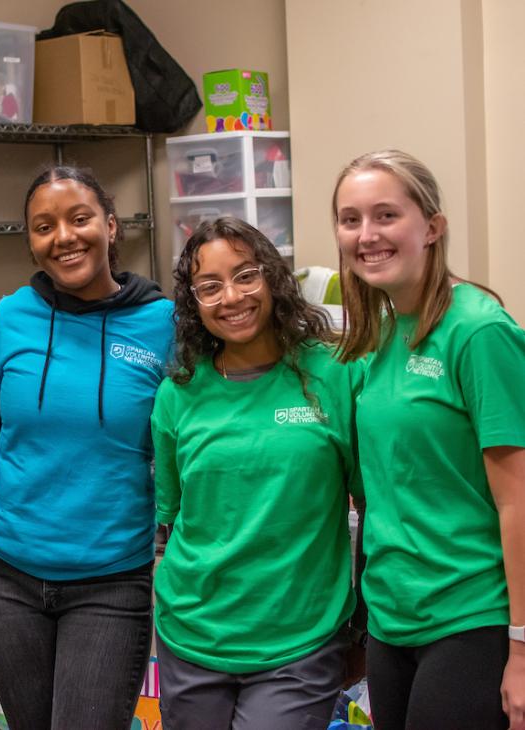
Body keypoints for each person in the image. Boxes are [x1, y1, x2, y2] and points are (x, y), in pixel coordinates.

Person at [0, 165, 175, 730]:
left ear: (111, 227)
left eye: (79, 218)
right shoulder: (11, 317)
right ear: (32, 241)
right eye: (44, 226)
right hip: (5, 576)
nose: (64, 237)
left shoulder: (162, 325)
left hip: (109, 580)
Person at [333, 149, 525, 730]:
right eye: (350, 219)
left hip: (470, 615)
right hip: (393, 617)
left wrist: (521, 649)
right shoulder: (379, 333)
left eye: (386, 215)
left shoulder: (479, 331)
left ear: (433, 227)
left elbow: (517, 501)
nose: (367, 235)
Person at [150, 216, 362, 730]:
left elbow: (371, 507)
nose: (231, 297)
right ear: (193, 302)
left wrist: (362, 627)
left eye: (246, 276)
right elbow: (169, 521)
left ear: (272, 277)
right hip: (191, 635)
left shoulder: (335, 374)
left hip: (299, 641)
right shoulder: (178, 393)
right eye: (210, 286)